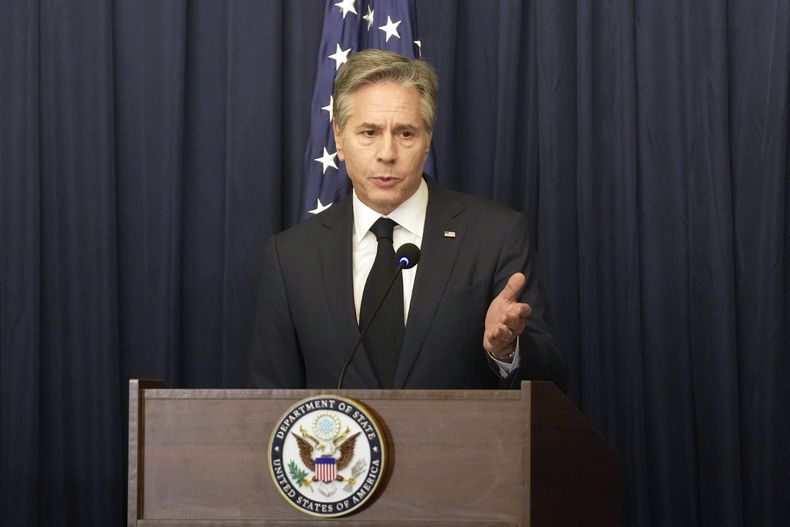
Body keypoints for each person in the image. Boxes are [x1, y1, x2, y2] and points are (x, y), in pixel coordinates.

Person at [249, 49, 567, 391]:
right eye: (369, 133)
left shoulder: (496, 236)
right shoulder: (291, 255)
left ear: (427, 140)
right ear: (339, 139)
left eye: (405, 134)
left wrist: (507, 350)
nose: (387, 154)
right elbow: (270, 398)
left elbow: (551, 381)